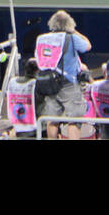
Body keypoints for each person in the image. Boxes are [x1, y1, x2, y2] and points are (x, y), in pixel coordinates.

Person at [34, 10, 91, 139]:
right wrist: (73, 31)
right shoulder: (70, 38)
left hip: (48, 83)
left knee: (52, 119)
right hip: (68, 83)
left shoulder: (42, 38)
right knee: (74, 120)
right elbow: (87, 46)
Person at [5, 59, 39, 137]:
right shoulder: (35, 84)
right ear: (37, 71)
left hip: (17, 125)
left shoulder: (12, 82)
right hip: (32, 126)